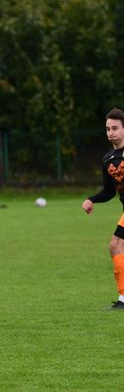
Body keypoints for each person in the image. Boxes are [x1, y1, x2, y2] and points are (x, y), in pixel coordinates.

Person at [82, 107, 124, 309]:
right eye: (108, 129)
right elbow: (109, 191)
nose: (111, 133)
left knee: (116, 245)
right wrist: (91, 199)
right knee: (116, 246)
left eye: (115, 128)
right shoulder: (108, 159)